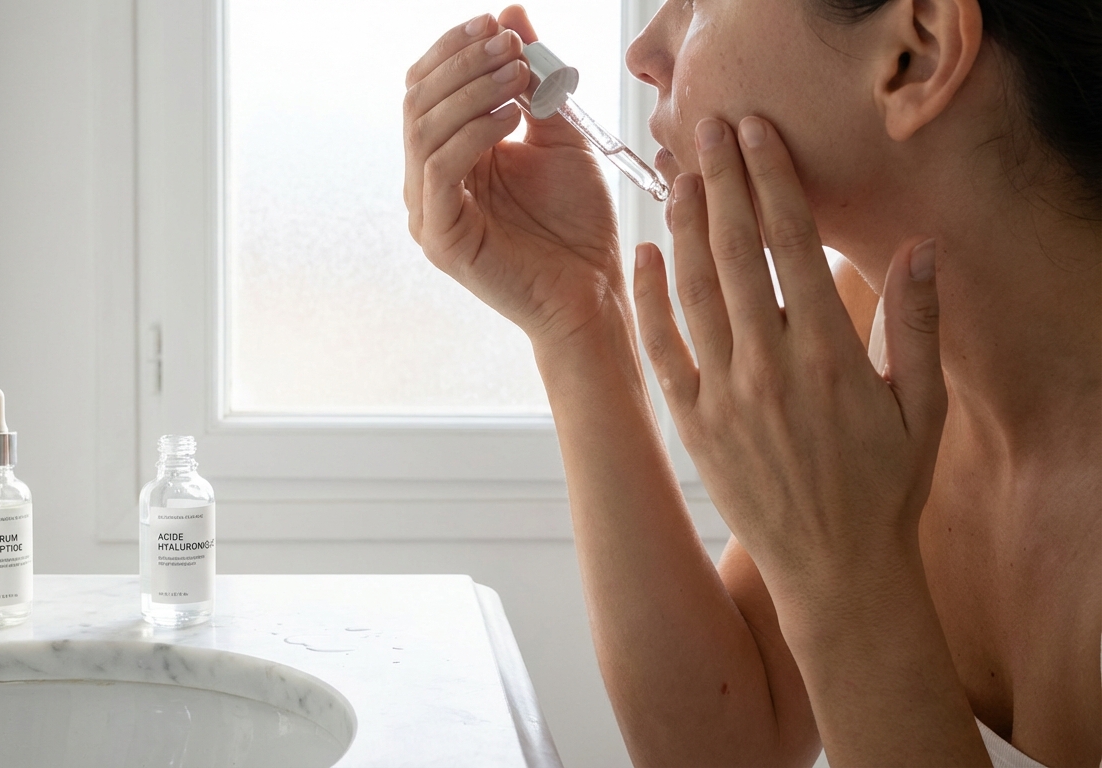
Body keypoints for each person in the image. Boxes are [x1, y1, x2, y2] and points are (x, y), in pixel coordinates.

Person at [402, 1, 1102, 765]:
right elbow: (731, 747)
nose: (644, 52)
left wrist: (845, 569)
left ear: (916, 52)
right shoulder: (863, 336)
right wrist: (577, 321)